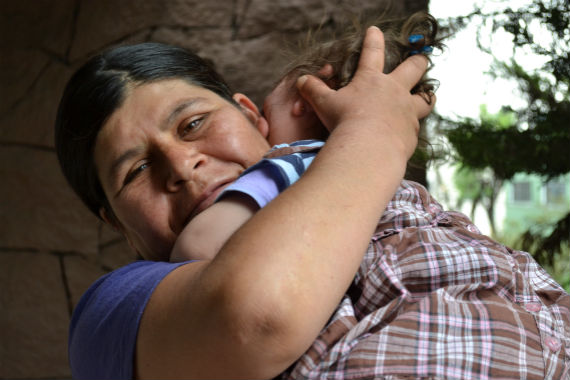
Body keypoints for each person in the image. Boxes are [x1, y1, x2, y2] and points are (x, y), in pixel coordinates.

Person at [54, 16, 569, 380]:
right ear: (116, 223)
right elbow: (256, 317)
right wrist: (372, 131)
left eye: (194, 123)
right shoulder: (115, 312)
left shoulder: (329, 172)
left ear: (253, 116)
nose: (181, 165)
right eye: (137, 170)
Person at [170, 12, 442, 262]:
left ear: (306, 102)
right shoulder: (393, 182)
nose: (261, 128)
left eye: (266, 113)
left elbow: (199, 246)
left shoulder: (291, 165)